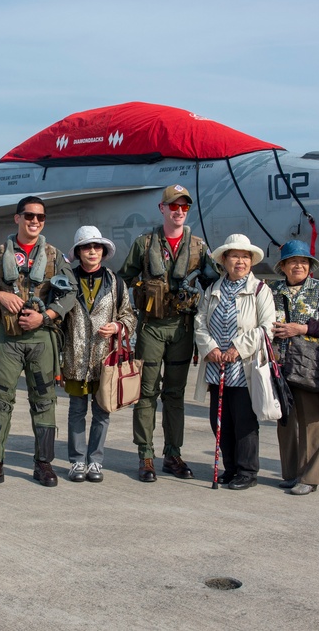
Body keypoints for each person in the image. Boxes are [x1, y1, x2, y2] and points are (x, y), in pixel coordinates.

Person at [0, 196, 76, 489]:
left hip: (41, 339)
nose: (34, 222)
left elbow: (70, 295)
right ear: (17, 218)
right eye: (29, 216)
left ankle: (43, 464)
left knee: (44, 402)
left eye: (40, 217)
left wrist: (46, 317)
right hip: (7, 340)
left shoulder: (55, 257)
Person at [118, 184, 211, 483]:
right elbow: (124, 278)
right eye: (173, 206)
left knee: (174, 395)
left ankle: (173, 453)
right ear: (162, 209)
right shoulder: (144, 244)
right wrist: (132, 306)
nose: (179, 211)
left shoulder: (199, 247)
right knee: (146, 394)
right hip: (151, 328)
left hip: (182, 329)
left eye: (184, 207)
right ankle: (145, 455)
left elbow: (213, 285)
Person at [193, 234, 275, 490]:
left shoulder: (260, 289)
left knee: (244, 421)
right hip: (217, 367)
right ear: (225, 260)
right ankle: (229, 468)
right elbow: (200, 323)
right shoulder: (212, 290)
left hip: (244, 368)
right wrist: (212, 348)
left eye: (245, 257)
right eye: (235, 256)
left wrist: (238, 349)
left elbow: (267, 328)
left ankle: (247, 471)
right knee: (220, 422)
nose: (240, 261)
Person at [60, 226, 137, 483]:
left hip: (106, 358)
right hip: (75, 357)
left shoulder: (116, 282)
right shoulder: (66, 280)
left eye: (96, 247)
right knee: (76, 410)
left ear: (103, 251)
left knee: (102, 412)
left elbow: (129, 315)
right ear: (79, 252)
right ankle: (76, 461)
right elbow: (57, 320)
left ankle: (95, 461)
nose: (92, 251)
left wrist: (117, 326)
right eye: (86, 247)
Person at [268, 240, 319, 496]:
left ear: (309, 266)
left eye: (303, 261)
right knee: (285, 420)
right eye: (293, 261)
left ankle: (311, 476)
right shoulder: (272, 290)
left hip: (310, 364)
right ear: (283, 266)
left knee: (312, 421)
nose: (298, 265)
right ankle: (291, 473)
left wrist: (302, 328)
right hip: (280, 363)